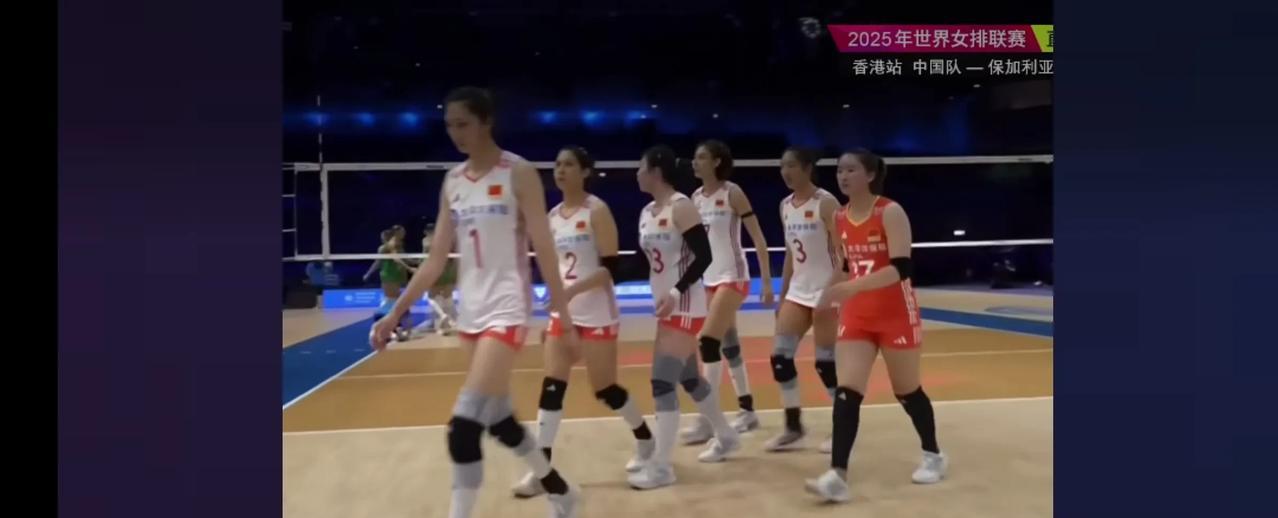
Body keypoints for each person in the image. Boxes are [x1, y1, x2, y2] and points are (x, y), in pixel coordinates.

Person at [370, 86, 580, 518]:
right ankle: (560, 492)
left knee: (462, 429)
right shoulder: (452, 182)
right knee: (500, 420)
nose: (455, 133)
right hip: (471, 311)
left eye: (463, 124)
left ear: (487, 122)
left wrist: (563, 315)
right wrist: (394, 314)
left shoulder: (518, 173)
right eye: (449, 125)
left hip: (507, 306)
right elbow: (435, 261)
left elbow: (544, 247)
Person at [511, 146, 656, 497]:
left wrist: (571, 291)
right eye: (557, 164)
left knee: (604, 388)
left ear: (585, 171)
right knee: (552, 387)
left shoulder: (597, 210)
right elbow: (554, 267)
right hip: (564, 313)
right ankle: (542, 471)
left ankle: (645, 438)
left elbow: (610, 271)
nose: (560, 170)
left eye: (569, 165)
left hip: (597, 312)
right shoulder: (553, 216)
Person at [804, 149, 948, 503]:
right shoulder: (839, 217)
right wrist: (825, 295)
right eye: (840, 170)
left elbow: (901, 268)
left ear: (869, 175)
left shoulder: (890, 211)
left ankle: (933, 454)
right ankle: (837, 475)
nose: (843, 176)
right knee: (847, 390)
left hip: (896, 312)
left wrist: (853, 287)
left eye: (851, 170)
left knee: (907, 391)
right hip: (857, 315)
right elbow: (845, 266)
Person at [628, 145, 741, 491]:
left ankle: (661, 466)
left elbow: (704, 256)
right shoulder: (647, 212)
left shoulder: (682, 206)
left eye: (641, 167)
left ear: (656, 171)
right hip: (665, 307)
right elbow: (643, 263)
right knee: (690, 378)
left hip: (686, 304)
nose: (636, 173)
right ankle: (725, 434)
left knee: (662, 382)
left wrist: (676, 291)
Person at [682, 139, 773, 443]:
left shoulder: (733, 193)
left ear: (717, 162)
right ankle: (747, 411)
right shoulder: (695, 198)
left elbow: (758, 238)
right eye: (695, 158)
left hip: (733, 277)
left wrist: (767, 282)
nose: (695, 162)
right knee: (729, 344)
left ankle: (708, 418)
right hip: (708, 280)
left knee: (707, 341)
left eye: (701, 157)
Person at [763, 147, 843, 453]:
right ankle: (793, 427)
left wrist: (832, 291)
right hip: (798, 291)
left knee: (825, 364)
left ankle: (842, 426)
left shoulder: (826, 202)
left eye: (792, 165)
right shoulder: (785, 205)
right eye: (782, 165)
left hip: (827, 292)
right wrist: (783, 295)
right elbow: (790, 254)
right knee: (780, 359)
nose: (785, 171)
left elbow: (844, 253)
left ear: (808, 168)